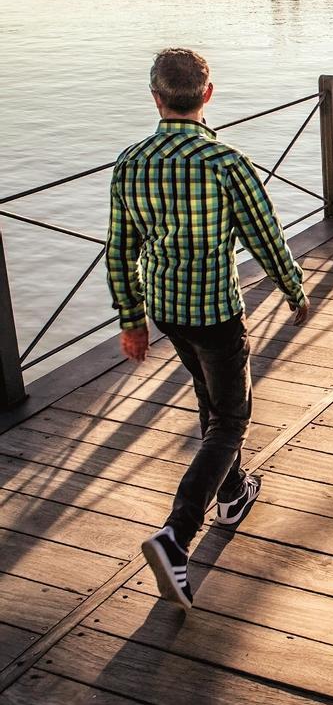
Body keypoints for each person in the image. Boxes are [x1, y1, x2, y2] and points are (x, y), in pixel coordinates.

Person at [105, 47, 309, 610]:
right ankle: (177, 534)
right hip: (216, 311)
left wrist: (132, 321)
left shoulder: (130, 162)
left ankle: (234, 495)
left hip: (167, 308)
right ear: (208, 95)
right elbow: (265, 236)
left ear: (156, 97)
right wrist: (294, 290)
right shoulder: (226, 163)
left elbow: (120, 252)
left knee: (211, 400)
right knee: (232, 419)